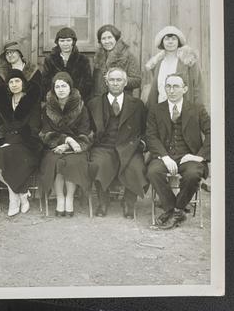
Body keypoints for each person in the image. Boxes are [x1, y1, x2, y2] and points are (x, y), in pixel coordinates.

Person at [146, 73, 210, 229]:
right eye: (168, 86)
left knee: (193, 174)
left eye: (176, 86)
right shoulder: (156, 109)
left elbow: (213, 132)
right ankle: (174, 210)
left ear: (185, 89)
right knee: (153, 171)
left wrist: (199, 157)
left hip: (190, 157)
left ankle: (176, 210)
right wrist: (164, 156)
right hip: (164, 155)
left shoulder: (197, 109)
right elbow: (151, 136)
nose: (172, 90)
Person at [87, 67, 148, 218]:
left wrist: (141, 145)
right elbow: (87, 129)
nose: (115, 83)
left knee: (137, 166)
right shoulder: (94, 104)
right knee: (98, 164)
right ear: (106, 82)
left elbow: (145, 129)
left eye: (119, 80)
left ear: (125, 82)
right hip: (103, 146)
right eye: (112, 80)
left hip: (129, 147)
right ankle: (103, 201)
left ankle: (128, 202)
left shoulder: (137, 104)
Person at [0, 69, 43, 216]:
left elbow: (34, 127)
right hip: (8, 142)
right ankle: (20, 193)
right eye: (11, 82)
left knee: (10, 156)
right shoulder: (4, 103)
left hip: (28, 144)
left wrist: (15, 134)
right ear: (7, 85)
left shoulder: (31, 101)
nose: (14, 84)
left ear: (23, 83)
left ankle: (12, 199)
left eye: (17, 81)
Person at [38, 72, 92, 217]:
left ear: (70, 88)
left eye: (64, 86)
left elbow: (85, 133)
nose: (61, 89)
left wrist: (69, 145)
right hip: (54, 147)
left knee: (72, 162)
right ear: (53, 89)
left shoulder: (81, 108)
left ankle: (69, 199)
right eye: (57, 86)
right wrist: (66, 140)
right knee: (56, 162)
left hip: (76, 148)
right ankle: (60, 198)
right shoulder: (47, 108)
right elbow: (46, 133)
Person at [144, 26, 202, 110]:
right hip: (161, 112)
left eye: (174, 39)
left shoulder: (188, 62)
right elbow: (155, 91)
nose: (170, 42)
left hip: (183, 111)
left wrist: (198, 112)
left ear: (178, 42)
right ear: (162, 42)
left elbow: (198, 88)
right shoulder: (158, 64)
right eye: (167, 39)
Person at [41, 27, 93, 101]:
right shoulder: (50, 59)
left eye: (68, 40)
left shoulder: (83, 59)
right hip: (55, 99)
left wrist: (76, 97)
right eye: (62, 41)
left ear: (73, 42)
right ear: (57, 42)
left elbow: (87, 83)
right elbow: (45, 82)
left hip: (77, 100)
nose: (65, 44)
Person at [92, 24, 141, 98]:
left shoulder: (127, 56)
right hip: (101, 100)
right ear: (100, 41)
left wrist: (119, 79)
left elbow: (137, 81)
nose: (107, 41)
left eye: (110, 37)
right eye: (103, 38)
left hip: (122, 99)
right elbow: (95, 84)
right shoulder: (98, 57)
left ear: (116, 38)